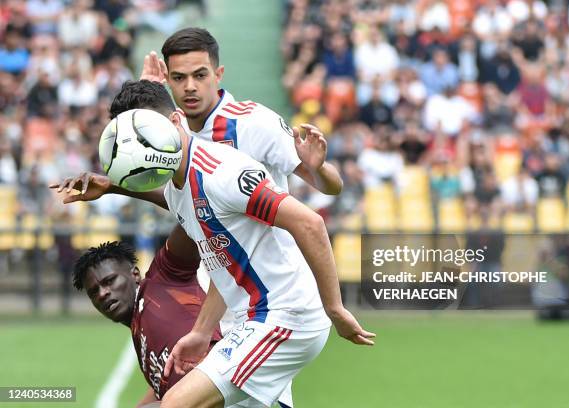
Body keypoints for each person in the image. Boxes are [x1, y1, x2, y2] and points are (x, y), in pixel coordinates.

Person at [52, 86, 374, 408]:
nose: (139, 147)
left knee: (176, 404)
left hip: (286, 315)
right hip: (255, 317)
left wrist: (336, 309)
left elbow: (310, 223)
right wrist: (201, 332)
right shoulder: (179, 187)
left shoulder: (220, 172)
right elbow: (221, 262)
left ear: (175, 121)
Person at [72, 225, 293, 408]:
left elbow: (191, 214)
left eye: (109, 281)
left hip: (236, 394)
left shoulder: (163, 278)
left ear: (135, 274)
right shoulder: (139, 333)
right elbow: (173, 385)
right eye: (94, 291)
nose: (103, 293)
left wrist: (119, 188)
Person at [138, 27, 343, 197]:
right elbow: (181, 203)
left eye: (200, 75)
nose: (190, 86)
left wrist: (319, 169)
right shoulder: (171, 128)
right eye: (179, 78)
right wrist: (146, 104)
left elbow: (333, 188)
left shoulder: (255, 122)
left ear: (218, 75)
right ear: (167, 80)